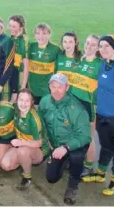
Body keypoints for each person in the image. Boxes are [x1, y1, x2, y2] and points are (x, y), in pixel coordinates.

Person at [83, 35, 114, 196]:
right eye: (101, 46)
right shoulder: (104, 64)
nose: (103, 49)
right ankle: (100, 173)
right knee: (105, 145)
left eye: (107, 46)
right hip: (103, 114)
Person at [39, 73, 91, 205]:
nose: (56, 90)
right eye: (53, 86)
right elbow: (41, 124)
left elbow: (85, 136)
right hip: (56, 145)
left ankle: (73, 186)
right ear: (49, 86)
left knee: (76, 157)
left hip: (74, 144)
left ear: (67, 87)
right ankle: (64, 161)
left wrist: (66, 147)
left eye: (60, 87)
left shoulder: (77, 108)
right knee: (51, 178)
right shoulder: (45, 101)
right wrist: (46, 143)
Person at [59, 35, 101, 175]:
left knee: (88, 136)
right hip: (74, 104)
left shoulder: (99, 64)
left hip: (88, 105)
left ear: (98, 48)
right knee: (73, 133)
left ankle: (88, 166)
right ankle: (74, 160)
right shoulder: (80, 61)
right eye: (88, 43)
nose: (89, 46)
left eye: (93, 44)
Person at [0, 89, 50, 191]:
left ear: (32, 103)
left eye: (27, 101)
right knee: (5, 165)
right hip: (21, 145)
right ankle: (24, 163)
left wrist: (21, 142)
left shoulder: (34, 118)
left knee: (22, 151)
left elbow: (39, 142)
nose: (23, 103)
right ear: (17, 100)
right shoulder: (16, 110)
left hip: (39, 149)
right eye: (21, 99)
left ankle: (27, 177)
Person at [27, 23, 61, 106]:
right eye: (38, 33)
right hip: (31, 87)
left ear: (49, 35)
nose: (40, 36)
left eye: (44, 33)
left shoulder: (55, 49)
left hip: (46, 89)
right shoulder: (30, 46)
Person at [0, 19, 18, 103]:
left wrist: (1, 83)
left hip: (3, 80)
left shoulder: (7, 41)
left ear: (2, 28)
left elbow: (9, 64)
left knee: (4, 106)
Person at [8, 15, 29, 91]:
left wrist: (23, 86)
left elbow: (26, 66)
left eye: (14, 27)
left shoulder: (24, 41)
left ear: (21, 27)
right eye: (10, 26)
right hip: (12, 73)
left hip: (20, 75)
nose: (11, 28)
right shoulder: (12, 37)